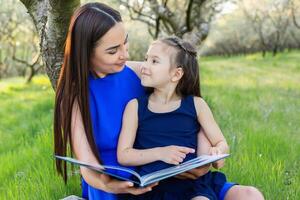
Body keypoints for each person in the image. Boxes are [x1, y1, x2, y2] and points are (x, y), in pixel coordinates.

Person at [53, 2, 264, 200]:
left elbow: (189, 110)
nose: (124, 55)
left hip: (171, 171)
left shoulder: (140, 72)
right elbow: (87, 165)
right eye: (112, 51)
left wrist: (202, 160)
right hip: (119, 183)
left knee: (249, 196)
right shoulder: (75, 97)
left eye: (125, 43)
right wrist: (109, 185)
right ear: (86, 52)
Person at [116, 37, 262, 200]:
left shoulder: (196, 105)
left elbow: (221, 143)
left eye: (154, 61)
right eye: (146, 59)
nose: (144, 66)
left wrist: (217, 153)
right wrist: (161, 153)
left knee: (251, 195)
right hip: (154, 187)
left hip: (193, 184)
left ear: (176, 74)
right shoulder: (135, 107)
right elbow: (124, 155)